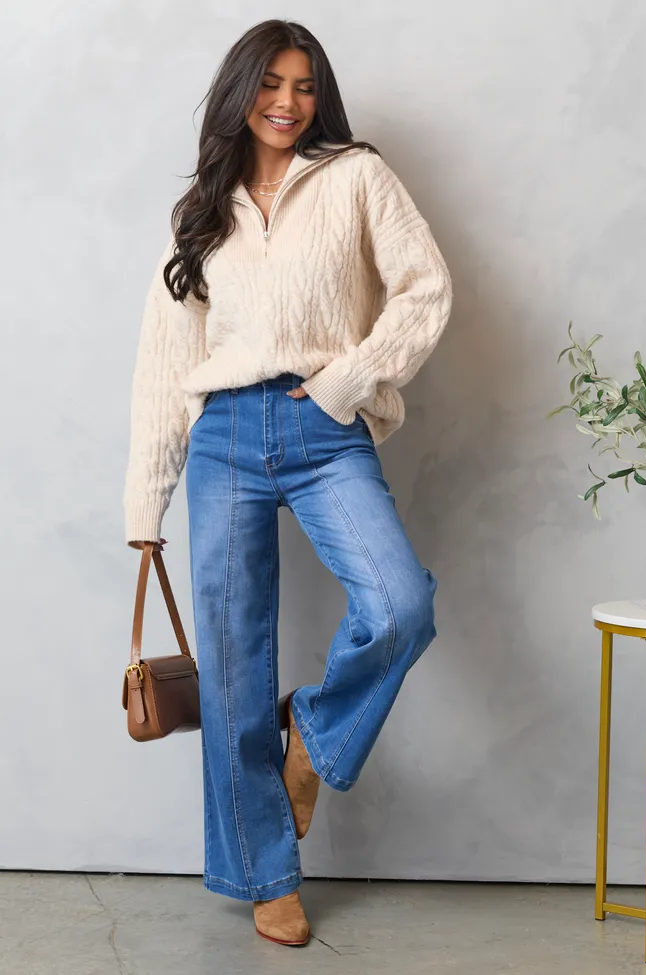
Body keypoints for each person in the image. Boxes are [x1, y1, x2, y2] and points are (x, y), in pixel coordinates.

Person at [123, 18, 452, 947]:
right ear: (242, 91)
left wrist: (349, 381)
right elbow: (164, 361)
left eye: (305, 86)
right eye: (271, 83)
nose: (288, 101)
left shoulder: (356, 176)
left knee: (399, 603)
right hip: (224, 435)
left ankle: (313, 735)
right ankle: (264, 876)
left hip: (324, 425)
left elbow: (425, 289)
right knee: (232, 666)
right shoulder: (201, 210)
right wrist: (145, 500)